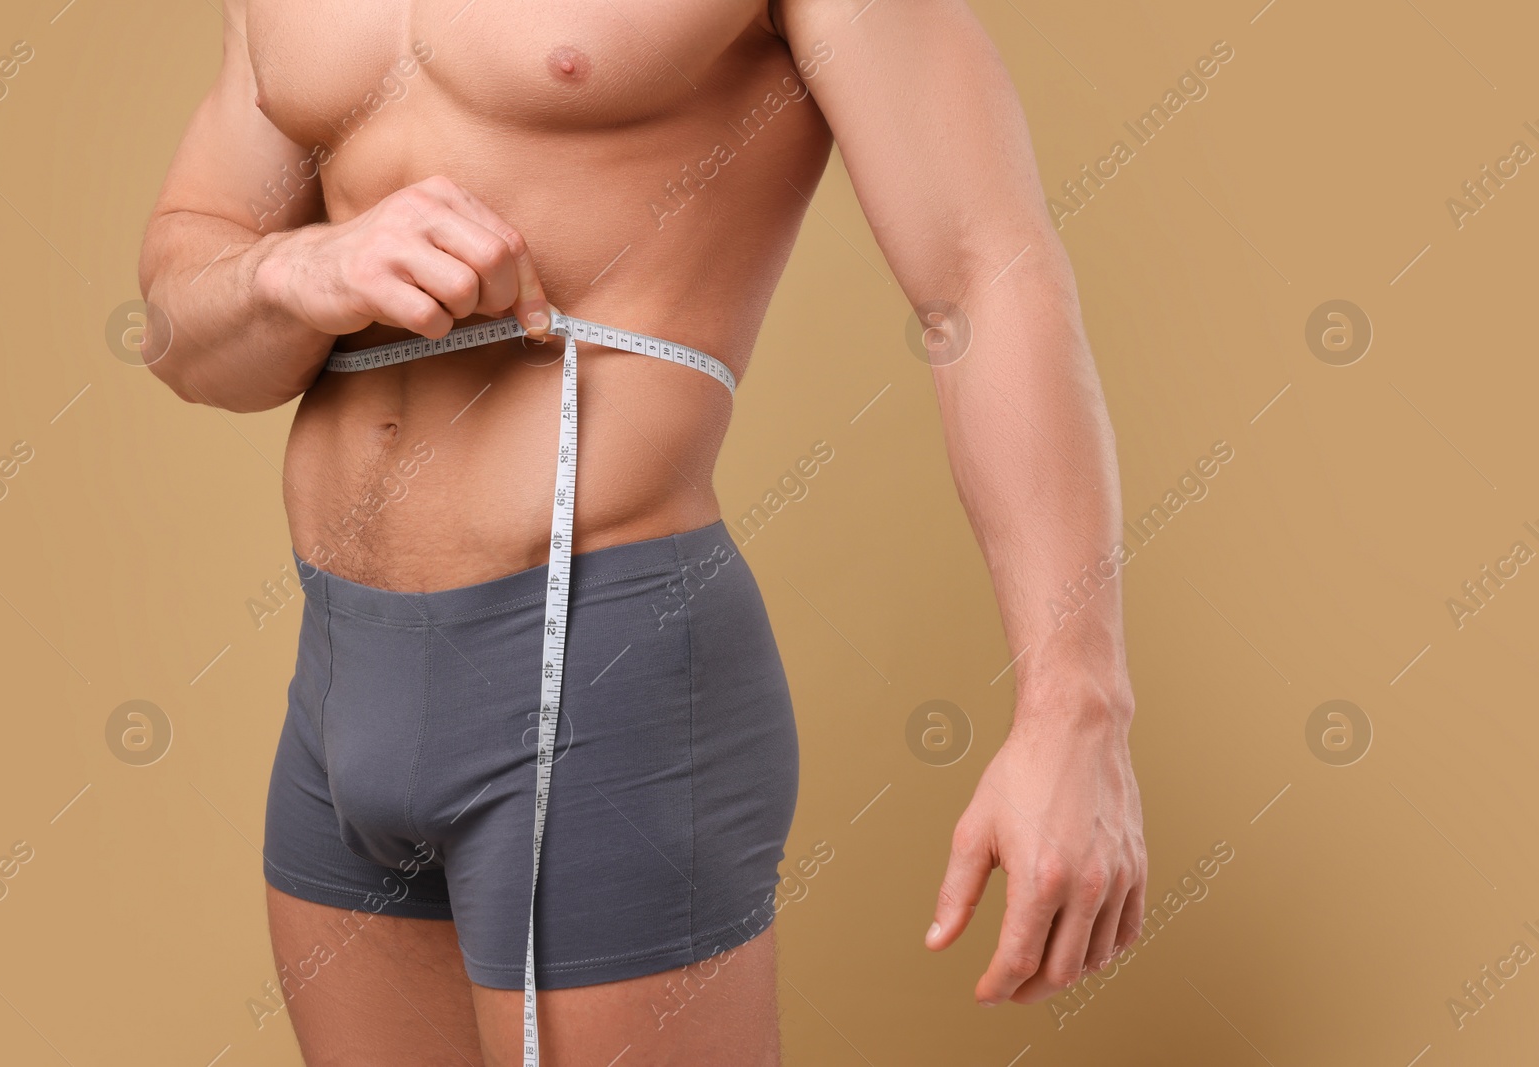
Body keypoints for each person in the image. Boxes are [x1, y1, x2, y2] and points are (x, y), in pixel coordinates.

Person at [137, 0, 1147, 1062]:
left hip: (601, 666)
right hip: (343, 677)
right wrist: (300, 270)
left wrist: (1076, 709)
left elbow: (983, 276)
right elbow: (179, 322)